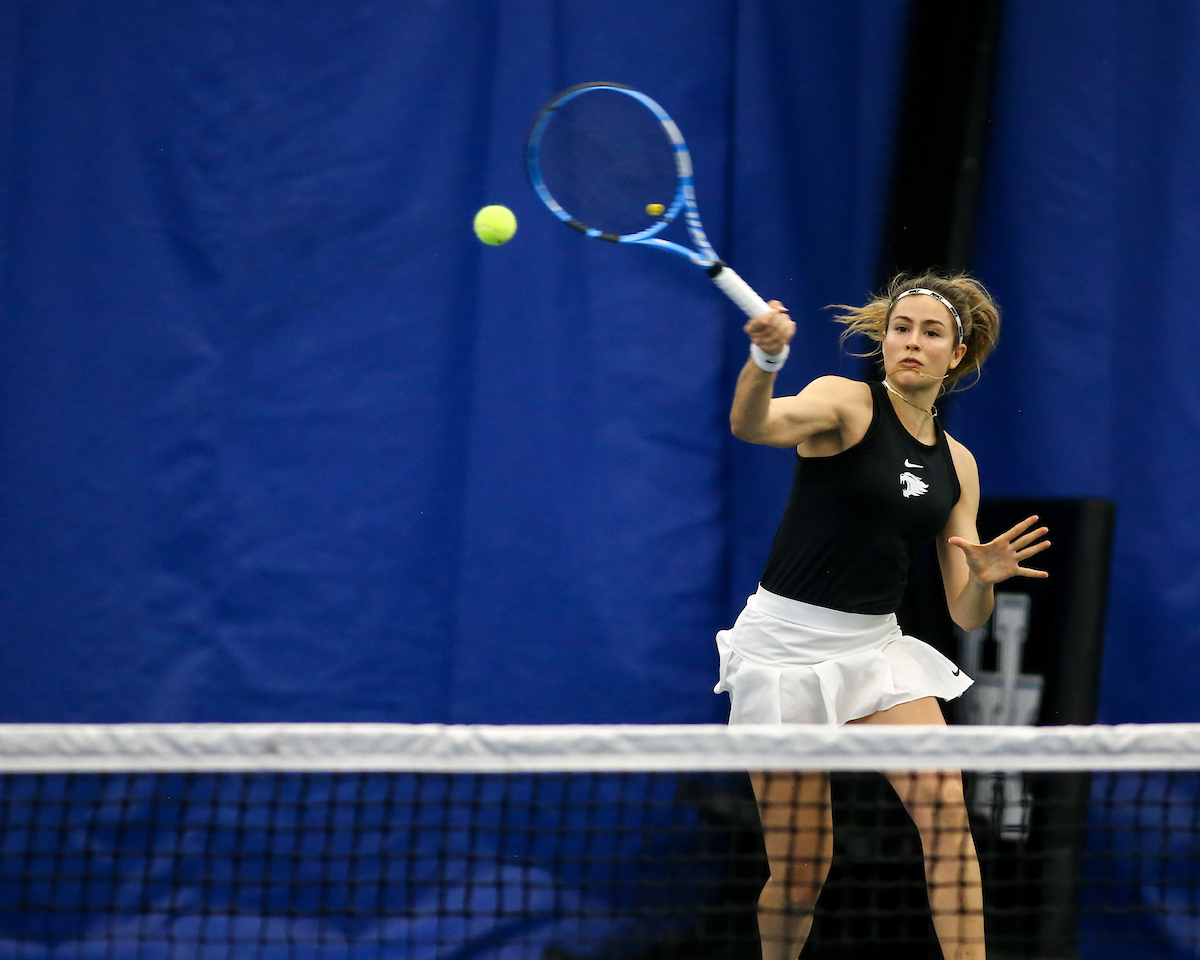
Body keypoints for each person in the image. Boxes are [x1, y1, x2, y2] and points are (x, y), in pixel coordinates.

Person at [715, 272, 1050, 960]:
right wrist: (766, 362)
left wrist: (984, 579)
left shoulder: (959, 465)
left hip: (875, 649)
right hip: (782, 651)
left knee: (948, 820)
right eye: (902, 328)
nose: (912, 342)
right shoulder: (843, 403)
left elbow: (965, 611)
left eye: (932, 333)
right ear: (885, 337)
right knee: (802, 869)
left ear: (956, 353)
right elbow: (753, 424)